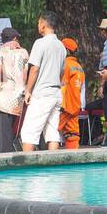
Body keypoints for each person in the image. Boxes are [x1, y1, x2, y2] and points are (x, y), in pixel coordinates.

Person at [20, 11, 67, 152]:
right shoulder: (61, 46)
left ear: (44, 25)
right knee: (52, 132)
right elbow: (62, 72)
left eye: (39, 23)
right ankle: (53, 168)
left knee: (29, 132)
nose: (38, 25)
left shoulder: (40, 43)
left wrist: (28, 90)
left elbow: (34, 69)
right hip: (56, 94)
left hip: (42, 94)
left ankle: (26, 169)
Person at [0, 26, 28, 153]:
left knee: (1, 138)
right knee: (12, 134)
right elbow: (26, 73)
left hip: (2, 100)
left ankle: (4, 166)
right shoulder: (23, 52)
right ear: (15, 38)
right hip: (18, 99)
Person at [59, 38, 86, 150]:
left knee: (51, 131)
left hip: (65, 106)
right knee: (73, 135)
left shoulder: (65, 65)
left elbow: (62, 85)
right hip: (75, 106)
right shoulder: (79, 67)